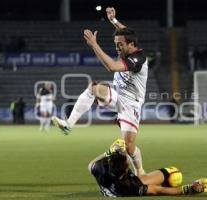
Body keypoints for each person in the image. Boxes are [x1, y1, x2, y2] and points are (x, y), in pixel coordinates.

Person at [52, 7, 148, 176]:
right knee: (94, 88)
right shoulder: (129, 45)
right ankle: (69, 123)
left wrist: (94, 45)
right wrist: (113, 20)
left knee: (129, 146)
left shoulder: (138, 59)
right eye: (115, 44)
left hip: (131, 103)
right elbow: (126, 33)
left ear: (131, 45)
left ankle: (140, 171)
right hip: (118, 92)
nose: (117, 48)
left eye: (120, 45)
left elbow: (112, 67)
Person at [88, 139, 207, 197]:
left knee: (173, 175)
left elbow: (91, 165)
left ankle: (142, 173)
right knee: (174, 174)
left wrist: (109, 151)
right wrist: (188, 189)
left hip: (115, 185)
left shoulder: (101, 168)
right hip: (128, 186)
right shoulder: (132, 187)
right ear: (126, 170)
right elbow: (158, 190)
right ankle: (142, 173)